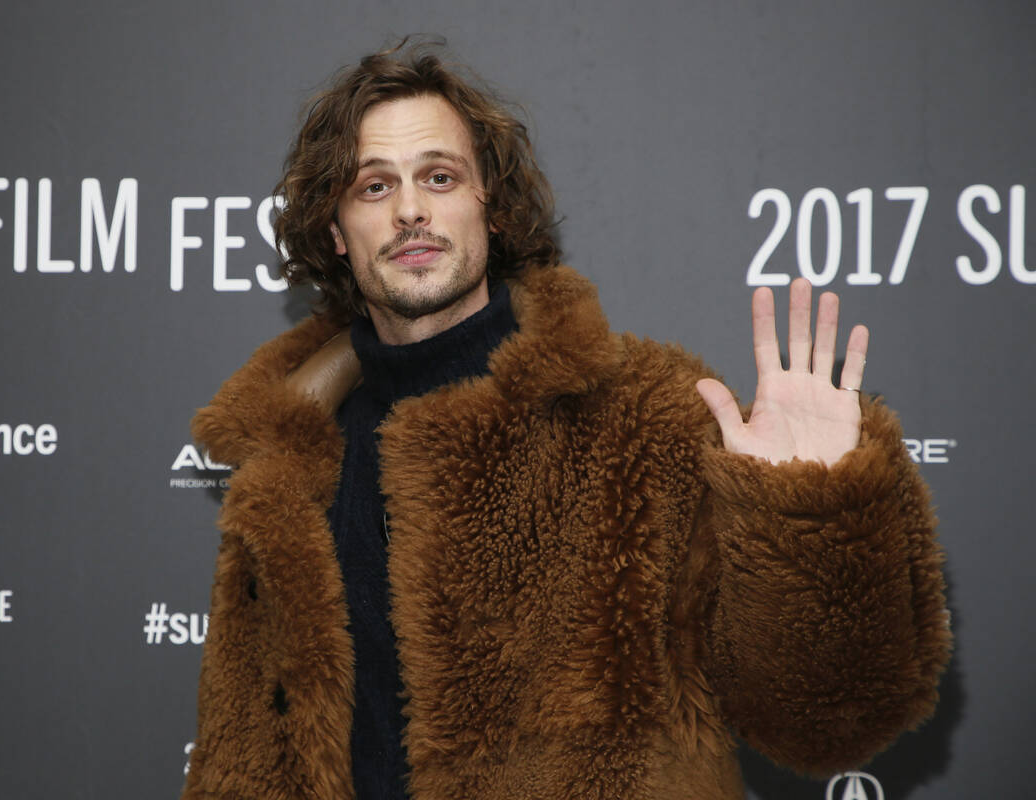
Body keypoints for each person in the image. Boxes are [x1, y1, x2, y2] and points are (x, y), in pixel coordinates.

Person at [182, 41, 950, 800]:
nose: (411, 209)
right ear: (334, 233)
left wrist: (807, 519)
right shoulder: (287, 469)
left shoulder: (648, 415)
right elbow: (243, 764)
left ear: (496, 207)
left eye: (439, 177)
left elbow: (831, 719)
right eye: (374, 188)